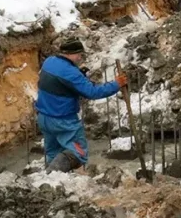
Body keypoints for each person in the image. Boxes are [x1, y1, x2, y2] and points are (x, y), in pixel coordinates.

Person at [34, 38, 127, 173]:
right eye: (79, 54)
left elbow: (59, 83)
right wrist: (116, 84)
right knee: (78, 153)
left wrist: (78, 76)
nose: (80, 58)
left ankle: (52, 183)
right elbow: (92, 92)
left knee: (53, 153)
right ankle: (50, 174)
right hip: (63, 120)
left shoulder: (49, 62)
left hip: (44, 118)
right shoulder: (71, 73)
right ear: (72, 54)